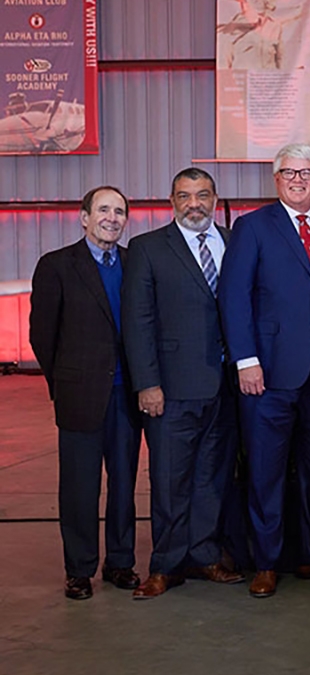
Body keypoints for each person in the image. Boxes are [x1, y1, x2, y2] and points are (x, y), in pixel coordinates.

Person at [219, 143, 310, 598]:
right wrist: (246, 359)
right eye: (289, 172)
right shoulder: (253, 227)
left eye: (307, 172)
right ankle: (267, 562)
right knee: (265, 471)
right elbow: (234, 296)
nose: (298, 179)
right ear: (276, 179)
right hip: (268, 373)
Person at [122, 168, 244, 599]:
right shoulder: (148, 248)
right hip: (171, 389)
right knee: (170, 479)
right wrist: (147, 384)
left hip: (226, 387)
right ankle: (166, 565)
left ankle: (206, 555)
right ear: (171, 201)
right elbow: (137, 322)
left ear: (214, 198)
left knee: (213, 476)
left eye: (203, 195)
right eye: (185, 196)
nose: (195, 204)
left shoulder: (233, 242)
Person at [29, 186, 142, 600]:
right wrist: (62, 385)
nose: (112, 218)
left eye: (120, 211)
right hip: (81, 396)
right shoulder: (57, 265)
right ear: (84, 217)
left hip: (127, 395)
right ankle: (78, 569)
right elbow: (42, 336)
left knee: (125, 485)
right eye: (104, 210)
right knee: (79, 487)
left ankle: (120, 562)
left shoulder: (134, 263)